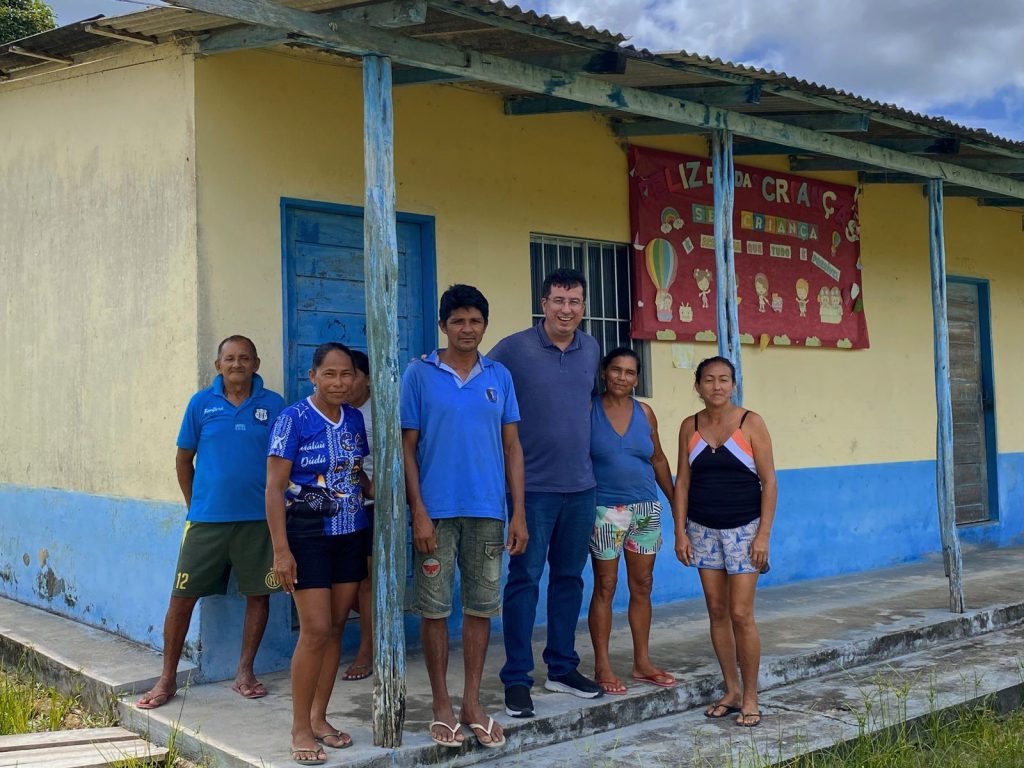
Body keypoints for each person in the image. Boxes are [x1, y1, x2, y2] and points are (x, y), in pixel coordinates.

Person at [401, 284, 528, 749]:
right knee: (434, 610)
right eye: (458, 321)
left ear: (485, 325)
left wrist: (518, 512)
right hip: (435, 512)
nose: (467, 329)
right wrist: (417, 510)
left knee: (480, 607)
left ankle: (472, 703)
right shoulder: (419, 374)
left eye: (475, 321)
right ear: (443, 325)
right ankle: (441, 705)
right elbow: (406, 449)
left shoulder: (499, 376)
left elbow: (512, 446)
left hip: (488, 513)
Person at [136, 336, 284, 710]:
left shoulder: (274, 405)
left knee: (258, 595)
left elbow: (283, 461)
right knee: (182, 598)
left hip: (257, 522)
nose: (237, 364)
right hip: (206, 521)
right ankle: (167, 678)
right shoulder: (201, 404)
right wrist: (194, 505)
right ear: (218, 365)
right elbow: (184, 459)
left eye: (245, 358)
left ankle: (245, 673)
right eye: (230, 358)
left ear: (256, 363)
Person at [490, 267, 603, 718]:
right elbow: (483, 387)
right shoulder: (513, 349)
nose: (566, 310)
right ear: (543, 303)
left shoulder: (590, 347)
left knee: (570, 580)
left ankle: (561, 667)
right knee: (524, 581)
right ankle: (517, 679)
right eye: (558, 300)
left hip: (581, 487)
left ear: (583, 306)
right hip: (531, 490)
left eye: (574, 301)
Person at [266, 342, 373, 765]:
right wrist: (281, 551)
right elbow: (275, 488)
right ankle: (299, 728)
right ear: (313, 376)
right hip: (307, 535)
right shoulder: (292, 419)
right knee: (313, 630)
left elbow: (356, 473)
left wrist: (377, 490)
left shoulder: (354, 421)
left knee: (334, 629)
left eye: (346, 374)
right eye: (329, 374)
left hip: (351, 532)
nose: (339, 382)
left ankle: (320, 718)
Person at [673, 356, 777, 728]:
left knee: (740, 614)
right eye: (708, 380)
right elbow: (682, 482)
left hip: (744, 530)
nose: (716, 386)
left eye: (724, 380)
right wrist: (679, 531)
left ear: (733, 384)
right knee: (716, 611)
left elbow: (769, 482)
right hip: (701, 529)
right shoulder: (690, 426)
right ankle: (731, 690)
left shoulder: (752, 423)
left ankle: (751, 696)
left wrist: (763, 534)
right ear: (698, 386)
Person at [586, 348, 676, 695]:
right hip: (604, 511)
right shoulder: (589, 410)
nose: (622, 378)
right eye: (616, 370)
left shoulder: (646, 412)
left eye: (629, 372)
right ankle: (602, 666)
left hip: (645, 510)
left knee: (643, 586)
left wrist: (673, 500)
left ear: (637, 378)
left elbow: (658, 458)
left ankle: (642, 662)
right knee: (605, 587)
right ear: (604, 373)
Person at [342, 349, 374, 682]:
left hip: (373, 506)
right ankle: (377, 629)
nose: (346, 382)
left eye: (352, 374)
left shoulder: (380, 412)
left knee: (366, 581)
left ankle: (366, 651)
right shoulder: (329, 411)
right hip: (336, 506)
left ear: (367, 379)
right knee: (343, 584)